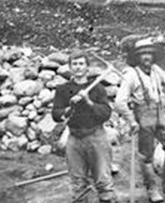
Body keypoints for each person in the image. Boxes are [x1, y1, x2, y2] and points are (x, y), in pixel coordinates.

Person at [113, 37, 165, 203]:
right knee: (146, 157)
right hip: (144, 118)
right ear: (136, 57)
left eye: (149, 53)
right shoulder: (131, 74)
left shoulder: (155, 70)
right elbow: (119, 102)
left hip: (161, 115)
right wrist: (131, 120)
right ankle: (152, 189)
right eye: (143, 54)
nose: (147, 57)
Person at [52, 51, 123, 203]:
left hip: (96, 137)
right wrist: (68, 108)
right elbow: (55, 114)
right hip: (74, 138)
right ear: (70, 68)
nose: (78, 67)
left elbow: (106, 114)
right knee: (77, 182)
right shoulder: (63, 89)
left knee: (103, 180)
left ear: (87, 68)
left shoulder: (97, 89)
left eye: (81, 64)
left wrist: (89, 101)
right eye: (75, 64)